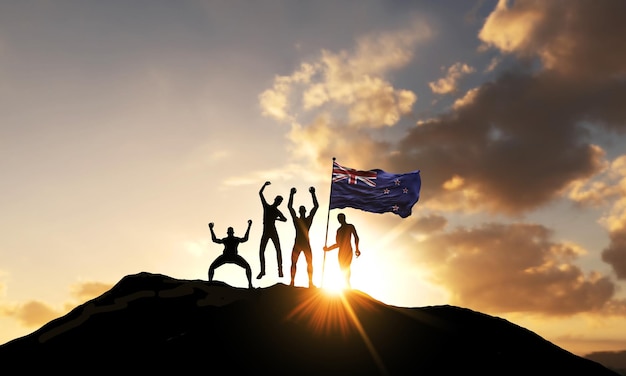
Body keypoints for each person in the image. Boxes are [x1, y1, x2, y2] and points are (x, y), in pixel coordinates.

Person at [287, 186, 319, 288]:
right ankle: (292, 282)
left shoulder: (306, 220)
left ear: (303, 211)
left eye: (302, 209)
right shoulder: (298, 220)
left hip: (304, 243)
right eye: (301, 209)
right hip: (300, 243)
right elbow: (290, 207)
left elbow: (315, 207)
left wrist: (313, 194)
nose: (301, 210)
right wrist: (291, 195)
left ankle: (310, 282)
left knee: (308, 263)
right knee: (295, 263)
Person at [208, 220, 254, 289]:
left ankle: (250, 284)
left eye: (230, 232)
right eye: (229, 232)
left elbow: (245, 239)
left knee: (247, 267)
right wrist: (211, 229)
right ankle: (210, 283)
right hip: (226, 256)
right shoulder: (226, 240)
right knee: (211, 267)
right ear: (229, 233)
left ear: (231, 233)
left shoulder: (235, 239)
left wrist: (249, 226)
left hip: (233, 256)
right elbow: (215, 240)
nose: (230, 234)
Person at [257, 181, 287, 279]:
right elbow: (260, 194)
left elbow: (285, 219)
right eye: (278, 201)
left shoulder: (275, 210)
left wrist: (277, 219)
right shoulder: (268, 207)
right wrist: (264, 186)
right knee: (262, 250)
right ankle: (263, 271)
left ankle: (280, 270)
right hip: (267, 230)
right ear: (275, 200)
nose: (278, 203)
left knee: (277, 249)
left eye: (279, 202)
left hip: (271, 230)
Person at [323, 213, 361, 288]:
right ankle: (345, 284)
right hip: (341, 252)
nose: (340, 220)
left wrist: (357, 248)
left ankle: (347, 284)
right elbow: (338, 244)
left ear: (344, 218)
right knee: (342, 268)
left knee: (347, 267)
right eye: (338, 219)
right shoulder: (339, 230)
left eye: (340, 218)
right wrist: (328, 249)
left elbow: (356, 237)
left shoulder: (350, 226)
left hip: (348, 250)